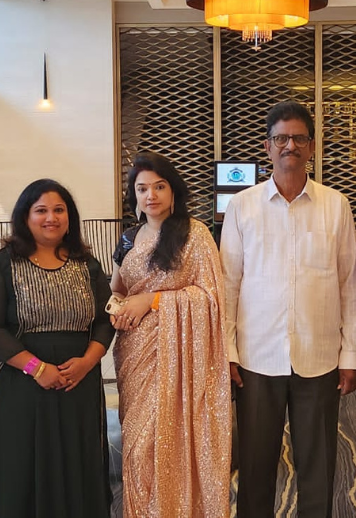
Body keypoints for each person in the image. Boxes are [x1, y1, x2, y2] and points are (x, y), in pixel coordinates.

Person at [220, 102, 356, 518]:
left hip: (318, 356)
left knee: (318, 468)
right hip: (256, 356)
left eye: (299, 138)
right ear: (267, 147)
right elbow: (227, 285)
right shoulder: (242, 205)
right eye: (281, 138)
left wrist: (351, 354)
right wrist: (227, 351)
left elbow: (350, 284)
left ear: (312, 146)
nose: (290, 146)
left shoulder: (335, 204)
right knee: (254, 466)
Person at [0, 179, 114, 518]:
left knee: (77, 462)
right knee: (19, 465)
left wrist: (88, 362)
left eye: (59, 210)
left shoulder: (88, 264)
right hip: (18, 382)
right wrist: (37, 368)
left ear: (69, 217)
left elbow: (105, 320)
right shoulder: (5, 264)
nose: (51, 218)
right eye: (41, 210)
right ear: (25, 217)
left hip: (78, 383)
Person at [113, 152, 231, 517]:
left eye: (159, 187)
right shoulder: (128, 239)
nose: (151, 195)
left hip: (182, 358)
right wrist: (118, 306)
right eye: (142, 189)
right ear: (134, 196)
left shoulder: (195, 235)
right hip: (136, 353)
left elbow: (211, 298)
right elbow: (117, 288)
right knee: (137, 446)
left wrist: (153, 300)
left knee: (164, 439)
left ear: (173, 190)